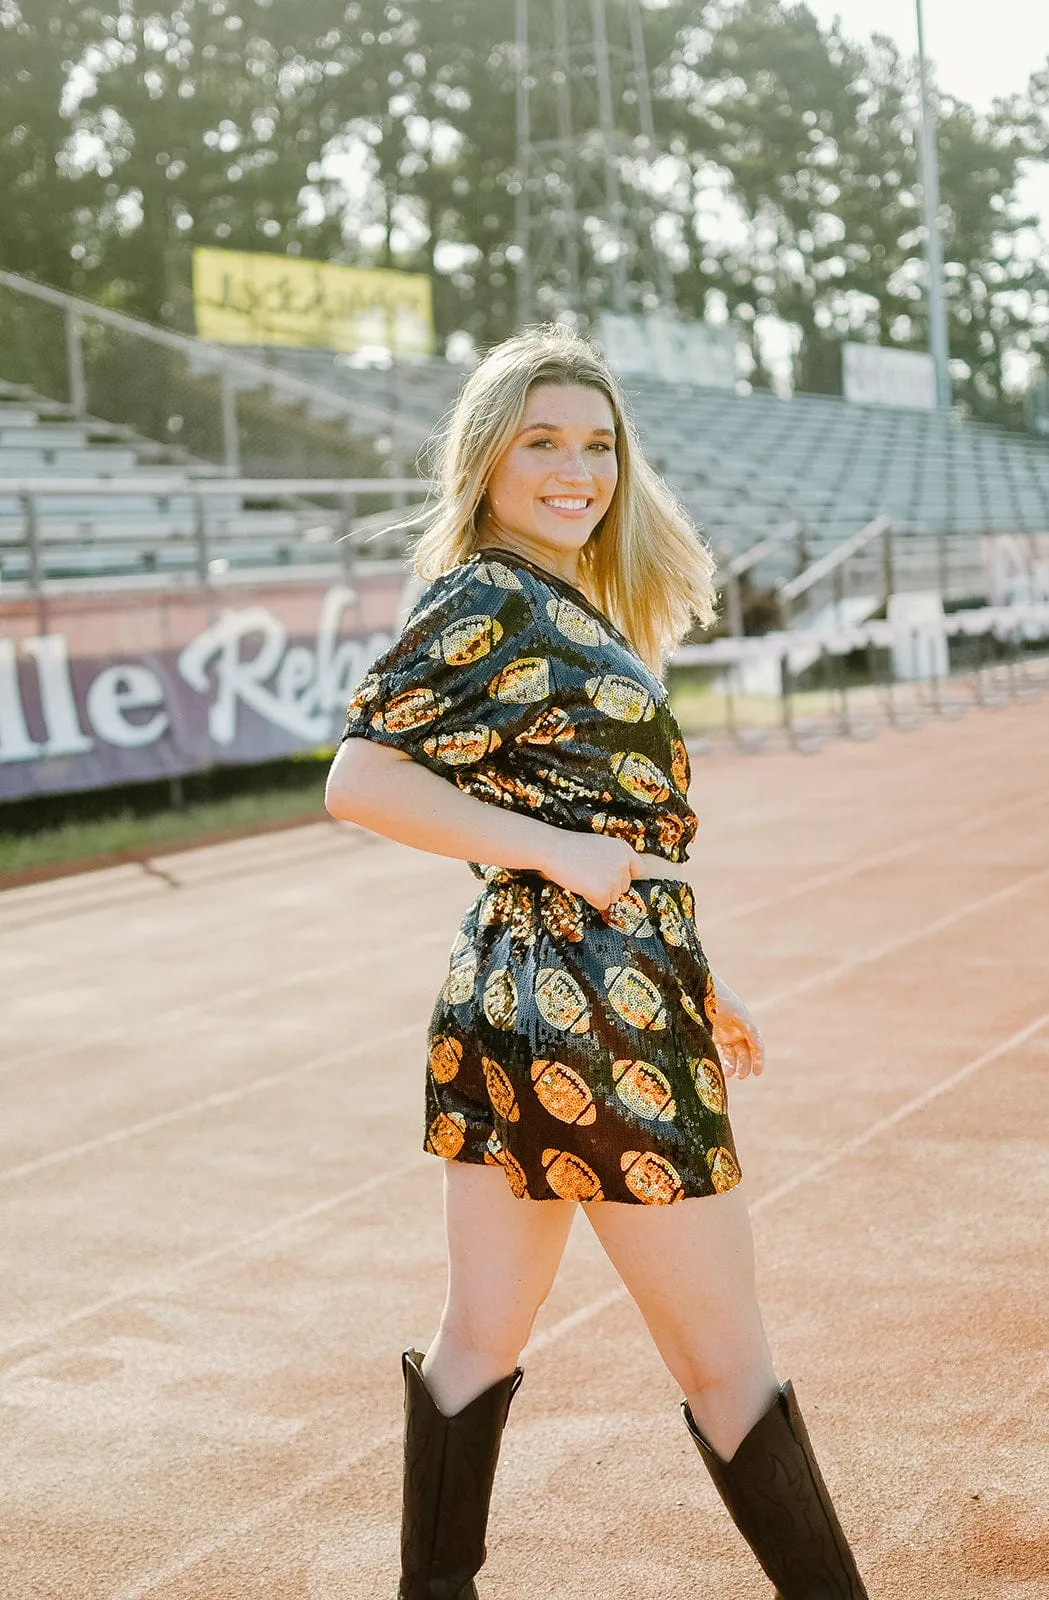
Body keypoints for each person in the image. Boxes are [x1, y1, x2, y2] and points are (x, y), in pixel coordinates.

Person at [324, 325, 869, 1599]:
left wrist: (689, 973)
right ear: (487, 458)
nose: (576, 469)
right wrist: (560, 857)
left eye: (598, 444)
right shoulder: (491, 594)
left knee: (476, 1340)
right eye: (542, 441)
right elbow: (360, 778)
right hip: (589, 1009)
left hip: (538, 994)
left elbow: (607, 827)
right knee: (728, 1360)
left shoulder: (553, 600)